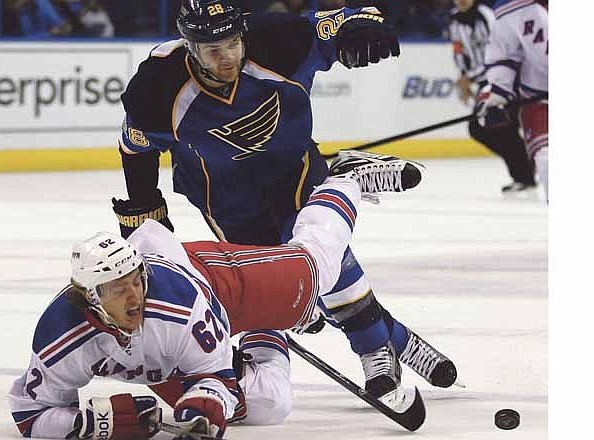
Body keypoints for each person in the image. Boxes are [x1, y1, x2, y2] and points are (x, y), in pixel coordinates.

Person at [112, 0, 457, 408]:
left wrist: (364, 26)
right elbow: (134, 148)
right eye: (213, 50)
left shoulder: (278, 41)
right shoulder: (157, 88)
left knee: (319, 258)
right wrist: (145, 208)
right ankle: (396, 338)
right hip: (225, 199)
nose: (227, 59)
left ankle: (373, 352)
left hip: (292, 169)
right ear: (190, 47)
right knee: (287, 288)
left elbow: (347, 18)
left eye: (233, 45)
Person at [10, 151, 421, 439]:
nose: (135, 293)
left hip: (215, 283)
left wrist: (206, 403)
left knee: (319, 271)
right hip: (166, 356)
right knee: (268, 407)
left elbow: (216, 377)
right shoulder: (60, 335)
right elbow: (30, 413)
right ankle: (268, 332)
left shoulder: (174, 307)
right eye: (119, 288)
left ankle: (344, 178)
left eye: (135, 279)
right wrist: (92, 426)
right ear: (92, 299)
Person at [449, 0, 536, 195]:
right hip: (483, 81)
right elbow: (459, 53)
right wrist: (464, 76)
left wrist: (468, 77)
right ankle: (525, 172)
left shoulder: (487, 16)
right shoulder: (454, 20)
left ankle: (526, 172)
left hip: (504, 79)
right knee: (488, 128)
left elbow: (501, 51)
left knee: (491, 127)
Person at [477, 0, 548, 201]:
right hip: (539, 98)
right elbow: (503, 54)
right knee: (548, 161)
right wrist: (497, 96)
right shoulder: (510, 8)